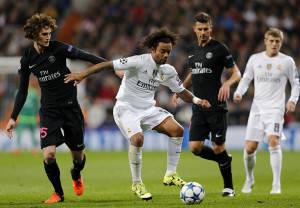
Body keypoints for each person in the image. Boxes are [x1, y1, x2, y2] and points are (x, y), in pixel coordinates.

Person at [64, 28, 211, 200]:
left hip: (148, 109)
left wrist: (197, 100)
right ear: (153, 50)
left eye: (168, 52)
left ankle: (170, 174)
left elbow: (181, 90)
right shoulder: (138, 61)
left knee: (177, 130)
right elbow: (107, 65)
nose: (165, 55)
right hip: (126, 108)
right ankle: (137, 183)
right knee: (138, 139)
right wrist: (82, 74)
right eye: (162, 51)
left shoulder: (168, 70)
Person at [5, 13, 106, 204]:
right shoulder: (27, 58)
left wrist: (110, 65)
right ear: (34, 34)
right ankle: (58, 194)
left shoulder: (58, 48)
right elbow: (22, 90)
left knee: (78, 157)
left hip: (70, 109)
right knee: (49, 155)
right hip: (49, 111)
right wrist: (13, 117)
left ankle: (76, 175)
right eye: (44, 34)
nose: (48, 36)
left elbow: (85, 55)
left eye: (50, 33)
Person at [172, 12, 241, 197]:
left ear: (211, 28)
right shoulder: (193, 50)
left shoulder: (220, 48)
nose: (203, 32)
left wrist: (227, 83)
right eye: (200, 29)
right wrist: (179, 90)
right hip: (198, 107)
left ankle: (229, 188)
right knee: (195, 147)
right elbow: (193, 74)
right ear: (195, 29)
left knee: (218, 146)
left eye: (206, 29)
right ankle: (224, 159)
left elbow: (236, 73)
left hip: (216, 107)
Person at [234, 28, 300, 194]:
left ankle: (276, 185)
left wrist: (292, 100)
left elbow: (296, 83)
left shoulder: (287, 61)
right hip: (257, 109)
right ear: (265, 41)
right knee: (249, 148)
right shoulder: (255, 59)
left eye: (277, 41)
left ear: (281, 43)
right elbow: (246, 78)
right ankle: (249, 179)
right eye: (271, 41)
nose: (274, 44)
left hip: (276, 109)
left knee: (273, 141)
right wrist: (239, 92)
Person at [14, 77, 39, 155]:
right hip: (22, 116)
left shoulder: (34, 93)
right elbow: (15, 105)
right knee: (19, 132)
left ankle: (34, 149)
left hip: (32, 116)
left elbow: (37, 105)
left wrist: (38, 115)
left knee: (33, 133)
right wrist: (15, 116)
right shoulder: (18, 92)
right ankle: (17, 148)